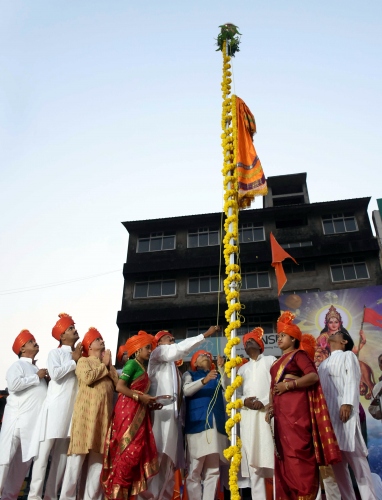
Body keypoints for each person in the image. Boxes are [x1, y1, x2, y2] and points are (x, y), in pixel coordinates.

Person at [138, 325, 220, 500]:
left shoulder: (174, 369)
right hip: (160, 415)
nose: (173, 341)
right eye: (169, 338)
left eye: (173, 338)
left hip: (173, 419)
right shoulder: (157, 354)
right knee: (156, 460)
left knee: (169, 465)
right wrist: (204, 335)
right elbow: (177, 350)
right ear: (159, 342)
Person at [266, 311, 341, 500]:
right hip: (282, 416)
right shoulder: (276, 364)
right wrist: (271, 407)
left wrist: (290, 384)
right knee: (286, 457)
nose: (279, 339)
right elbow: (273, 387)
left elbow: (313, 376)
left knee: (299, 453)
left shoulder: (298, 355)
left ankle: (305, 494)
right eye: (279, 335)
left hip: (297, 413)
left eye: (283, 335)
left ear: (293, 339)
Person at [28, 313, 82, 500]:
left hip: (71, 411)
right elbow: (57, 375)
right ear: (61, 336)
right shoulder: (56, 353)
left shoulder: (81, 356)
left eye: (74, 327)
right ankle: (34, 496)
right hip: (54, 411)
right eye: (70, 328)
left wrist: (78, 359)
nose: (75, 330)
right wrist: (73, 361)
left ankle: (50, 496)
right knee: (42, 457)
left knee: (61, 458)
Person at [60, 327, 118, 500]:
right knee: (75, 462)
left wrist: (109, 365)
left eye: (101, 338)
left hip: (103, 419)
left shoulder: (107, 365)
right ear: (90, 346)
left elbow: (118, 385)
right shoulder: (84, 361)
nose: (102, 341)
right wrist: (103, 364)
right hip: (85, 417)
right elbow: (87, 378)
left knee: (98, 462)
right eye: (98, 339)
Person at [319, 330, 377, 500]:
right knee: (338, 465)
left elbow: (352, 378)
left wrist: (347, 403)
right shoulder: (323, 364)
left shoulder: (348, 357)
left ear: (344, 341)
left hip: (346, 416)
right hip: (329, 418)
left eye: (338, 333)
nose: (333, 333)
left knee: (358, 462)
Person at [102, 330, 160, 499]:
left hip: (140, 411)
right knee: (129, 451)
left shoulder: (142, 367)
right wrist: (140, 397)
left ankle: (124, 492)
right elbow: (119, 387)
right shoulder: (132, 364)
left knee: (137, 450)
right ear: (138, 349)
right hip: (127, 409)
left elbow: (139, 392)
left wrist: (150, 404)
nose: (150, 351)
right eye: (147, 348)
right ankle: (116, 492)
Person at [0, 330, 48, 499]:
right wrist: (36, 377)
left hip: (32, 425)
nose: (35, 343)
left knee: (21, 466)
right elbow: (13, 385)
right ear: (21, 348)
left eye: (34, 340)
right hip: (16, 422)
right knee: (4, 461)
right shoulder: (18, 365)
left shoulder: (36, 368)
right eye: (30, 341)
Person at [236, 327, 276, 500]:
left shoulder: (270, 360)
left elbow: (276, 385)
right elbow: (233, 395)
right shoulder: (241, 370)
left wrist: (265, 402)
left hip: (267, 415)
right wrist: (244, 401)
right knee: (254, 465)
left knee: (274, 459)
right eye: (246, 341)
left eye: (252, 339)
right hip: (248, 418)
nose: (248, 342)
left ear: (261, 345)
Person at [183, 349, 228, 500]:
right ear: (194, 362)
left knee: (213, 470)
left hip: (216, 427)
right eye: (202, 355)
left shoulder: (218, 376)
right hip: (197, 425)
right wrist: (205, 380)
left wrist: (222, 368)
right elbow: (186, 390)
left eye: (209, 356)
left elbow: (229, 389)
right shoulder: (190, 375)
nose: (207, 356)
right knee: (194, 469)